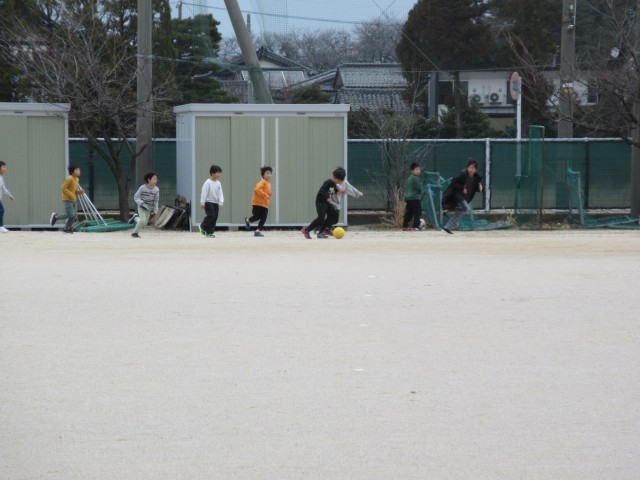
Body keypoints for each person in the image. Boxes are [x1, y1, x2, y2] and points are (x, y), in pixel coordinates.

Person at [300, 167, 346, 239]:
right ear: (336, 178)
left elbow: (332, 190)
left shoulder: (334, 184)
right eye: (340, 181)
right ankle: (306, 230)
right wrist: (327, 197)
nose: (340, 183)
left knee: (334, 213)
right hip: (321, 202)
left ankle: (324, 230)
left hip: (326, 203)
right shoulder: (328, 182)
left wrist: (339, 191)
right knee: (321, 218)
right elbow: (322, 191)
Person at [441, 158, 484, 234]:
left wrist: (481, 188)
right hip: (457, 195)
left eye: (473, 168)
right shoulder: (463, 174)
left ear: (476, 170)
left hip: (465, 198)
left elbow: (476, 188)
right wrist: (461, 188)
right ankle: (449, 208)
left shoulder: (476, 178)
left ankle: (447, 227)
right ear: (467, 168)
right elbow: (453, 182)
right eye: (469, 167)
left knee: (462, 211)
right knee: (465, 208)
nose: (471, 169)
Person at [50, 164, 85, 233]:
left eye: (79, 170)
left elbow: (74, 191)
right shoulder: (70, 178)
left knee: (74, 216)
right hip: (67, 200)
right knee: (70, 214)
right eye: (77, 170)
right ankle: (56, 216)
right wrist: (71, 195)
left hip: (74, 200)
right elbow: (63, 188)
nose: (79, 171)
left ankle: (67, 228)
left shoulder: (77, 179)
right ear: (72, 172)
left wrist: (79, 192)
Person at [243, 166, 273, 237]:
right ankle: (248, 220)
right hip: (257, 203)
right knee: (256, 217)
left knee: (264, 218)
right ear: (263, 175)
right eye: (267, 173)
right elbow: (257, 189)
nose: (269, 175)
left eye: (270, 173)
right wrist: (266, 195)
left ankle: (257, 231)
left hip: (265, 204)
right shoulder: (262, 182)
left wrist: (269, 194)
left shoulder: (269, 184)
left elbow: (265, 192)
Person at [130, 172, 160, 238]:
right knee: (143, 221)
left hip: (149, 208)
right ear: (149, 179)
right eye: (154, 179)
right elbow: (136, 197)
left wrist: (155, 210)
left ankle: (135, 217)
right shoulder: (142, 187)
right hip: (142, 207)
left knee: (144, 224)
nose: (156, 181)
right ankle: (135, 233)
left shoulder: (156, 189)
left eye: (156, 179)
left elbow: (156, 201)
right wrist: (141, 203)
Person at [200, 165, 224, 238]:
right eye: (218, 173)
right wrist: (202, 202)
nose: (219, 174)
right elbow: (204, 192)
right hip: (208, 202)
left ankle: (209, 233)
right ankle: (202, 226)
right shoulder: (208, 182)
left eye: (220, 173)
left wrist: (221, 202)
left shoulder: (218, 183)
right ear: (212, 173)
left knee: (215, 217)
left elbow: (220, 193)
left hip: (215, 203)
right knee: (211, 216)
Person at [402, 162, 423, 231]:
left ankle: (405, 225)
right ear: (412, 171)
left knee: (409, 212)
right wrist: (422, 192)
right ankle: (416, 226)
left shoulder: (409, 178)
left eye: (419, 169)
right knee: (418, 211)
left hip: (408, 198)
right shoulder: (415, 178)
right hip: (415, 198)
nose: (418, 171)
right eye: (416, 170)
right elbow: (419, 188)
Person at [0, 161, 15, 233]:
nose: (5, 169)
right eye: (3, 167)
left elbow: (3, 188)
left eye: (5, 167)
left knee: (1, 210)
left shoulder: (1, 177)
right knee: (1, 210)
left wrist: (9, 195)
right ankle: (1, 227)